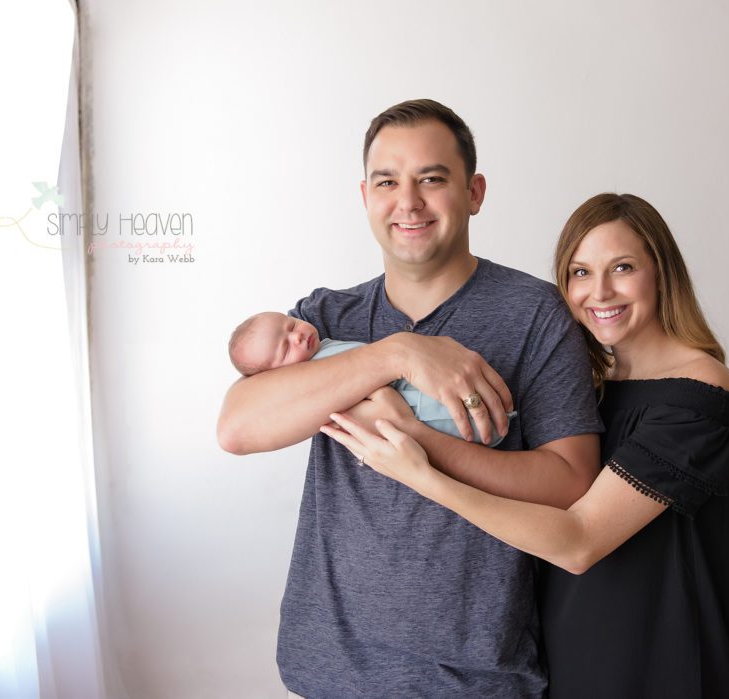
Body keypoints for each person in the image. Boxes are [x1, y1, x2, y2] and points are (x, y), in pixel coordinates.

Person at [217, 100, 602, 697]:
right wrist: (398, 353)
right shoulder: (322, 320)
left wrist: (419, 445)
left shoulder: (534, 314)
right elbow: (238, 428)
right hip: (330, 670)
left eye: (432, 178)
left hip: (476, 677)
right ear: (365, 197)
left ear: (474, 192)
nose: (409, 202)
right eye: (387, 181)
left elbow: (571, 483)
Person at [323, 193, 729, 699]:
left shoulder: (699, 394)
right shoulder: (595, 387)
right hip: (572, 658)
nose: (601, 292)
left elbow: (578, 542)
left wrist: (422, 474)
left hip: (662, 662)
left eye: (623, 267)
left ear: (662, 272)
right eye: (580, 273)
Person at [227, 310, 514, 445]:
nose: (297, 335)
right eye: (285, 347)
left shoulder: (321, 331)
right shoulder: (312, 373)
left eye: (290, 325)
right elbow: (232, 432)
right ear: (276, 376)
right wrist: (396, 355)